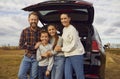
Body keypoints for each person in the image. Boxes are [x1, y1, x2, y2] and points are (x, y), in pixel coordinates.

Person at [55, 13, 85, 79]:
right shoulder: (64, 29)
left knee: (79, 75)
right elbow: (65, 42)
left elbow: (73, 45)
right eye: (61, 19)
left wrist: (61, 49)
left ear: (69, 19)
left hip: (76, 54)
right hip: (68, 55)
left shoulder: (72, 29)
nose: (63, 20)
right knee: (67, 75)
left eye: (65, 18)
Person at [18, 12, 41, 79]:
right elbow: (21, 45)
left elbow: (45, 42)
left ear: (38, 20)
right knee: (21, 75)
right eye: (32, 19)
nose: (33, 21)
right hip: (27, 57)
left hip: (36, 58)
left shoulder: (42, 31)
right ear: (28, 20)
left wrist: (41, 44)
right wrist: (34, 47)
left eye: (35, 19)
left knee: (33, 77)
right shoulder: (24, 31)